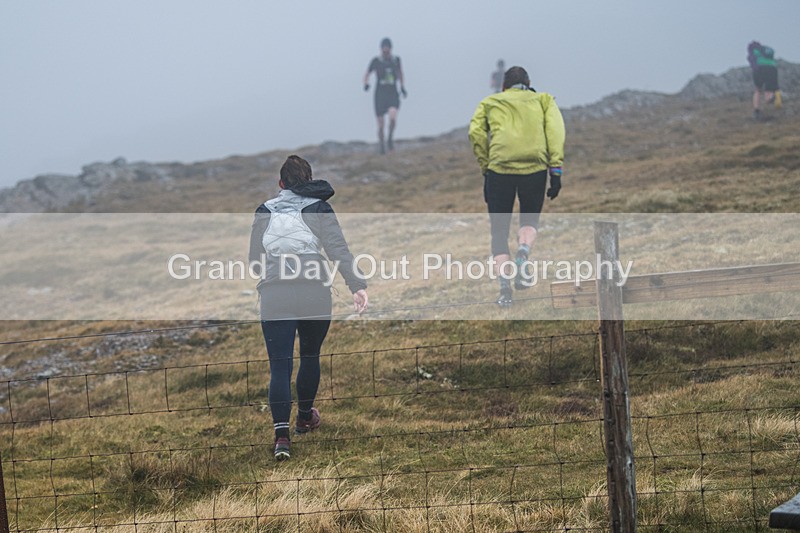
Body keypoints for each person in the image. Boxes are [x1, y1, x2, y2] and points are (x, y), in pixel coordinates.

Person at [249, 155, 368, 460]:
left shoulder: (265, 210)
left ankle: (281, 438)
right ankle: (304, 417)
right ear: (309, 182)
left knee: (279, 365)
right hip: (315, 290)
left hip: (276, 293)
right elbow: (337, 248)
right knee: (310, 355)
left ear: (281, 184)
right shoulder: (319, 207)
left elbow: (254, 260)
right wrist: (357, 286)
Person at [468, 66, 565, 308]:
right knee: (529, 221)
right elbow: (555, 132)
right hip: (534, 169)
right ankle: (523, 250)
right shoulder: (543, 100)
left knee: (499, 232)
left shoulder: (490, 102)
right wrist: (556, 170)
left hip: (499, 170)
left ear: (504, 86)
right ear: (529, 83)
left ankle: (504, 291)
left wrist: (485, 167)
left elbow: (476, 133)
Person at [363, 37, 407, 154]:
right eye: (384, 48)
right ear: (381, 49)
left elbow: (400, 73)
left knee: (393, 117)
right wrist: (366, 83)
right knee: (381, 124)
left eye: (387, 48)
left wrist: (402, 87)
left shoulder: (396, 60)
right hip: (380, 95)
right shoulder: (376, 61)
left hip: (392, 93)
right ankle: (382, 144)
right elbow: (367, 73)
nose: (386, 50)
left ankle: (390, 139)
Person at [747, 41, 781, 119]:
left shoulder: (753, 51)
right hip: (772, 68)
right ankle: (770, 98)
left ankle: (756, 110)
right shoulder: (764, 49)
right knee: (769, 89)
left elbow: (751, 61)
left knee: (758, 90)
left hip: (759, 69)